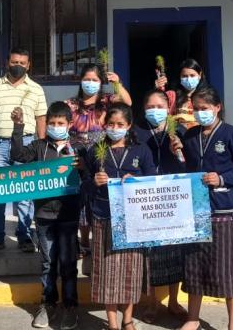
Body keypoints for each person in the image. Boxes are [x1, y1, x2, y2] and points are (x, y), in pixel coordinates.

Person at [171, 87, 233, 330]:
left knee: (227, 269)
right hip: (195, 210)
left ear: (217, 107)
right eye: (196, 109)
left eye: (204, 109)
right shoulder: (190, 135)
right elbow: (185, 169)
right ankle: (193, 318)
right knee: (194, 266)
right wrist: (175, 152)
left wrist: (222, 179)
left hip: (223, 211)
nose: (200, 113)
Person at [11, 102, 86, 330]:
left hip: (69, 215)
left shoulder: (78, 148)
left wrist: (83, 166)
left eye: (60, 123)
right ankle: (48, 304)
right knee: (47, 263)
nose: (55, 127)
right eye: (51, 123)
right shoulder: (38, 147)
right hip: (44, 216)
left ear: (69, 124)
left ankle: (70, 306)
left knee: (68, 263)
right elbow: (18, 155)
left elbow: (90, 172)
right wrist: (18, 128)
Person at [82, 103, 155, 330]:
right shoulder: (95, 150)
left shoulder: (141, 150)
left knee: (130, 272)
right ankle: (112, 321)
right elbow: (84, 185)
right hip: (103, 217)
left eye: (120, 124)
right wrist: (94, 182)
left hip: (133, 220)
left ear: (129, 125)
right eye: (111, 124)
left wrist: (137, 179)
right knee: (106, 272)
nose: (115, 128)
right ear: (105, 126)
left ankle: (128, 319)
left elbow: (153, 180)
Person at [0, 47, 48, 254]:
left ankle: (24, 236)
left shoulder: (36, 89)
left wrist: (42, 147)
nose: (18, 66)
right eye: (15, 62)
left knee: (24, 192)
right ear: (7, 62)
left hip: (27, 143)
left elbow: (41, 118)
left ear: (29, 65)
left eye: (22, 63)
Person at [65, 63, 130, 258]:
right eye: (87, 79)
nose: (90, 83)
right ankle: (83, 241)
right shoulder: (71, 104)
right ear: (80, 81)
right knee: (80, 199)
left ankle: (96, 239)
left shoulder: (106, 102)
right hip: (75, 158)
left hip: (99, 155)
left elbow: (127, 103)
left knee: (96, 196)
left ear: (101, 82)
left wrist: (117, 83)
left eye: (94, 80)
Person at [134, 89, 187, 321]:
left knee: (175, 251)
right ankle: (152, 302)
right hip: (147, 201)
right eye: (150, 107)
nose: (155, 111)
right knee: (150, 252)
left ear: (169, 109)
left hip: (174, 199)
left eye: (159, 106)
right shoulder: (137, 134)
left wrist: (179, 153)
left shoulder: (181, 132)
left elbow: (190, 166)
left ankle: (174, 301)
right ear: (144, 110)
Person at [154, 58, 206, 130]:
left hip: (198, 138)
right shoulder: (172, 96)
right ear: (180, 77)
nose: (188, 79)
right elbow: (157, 111)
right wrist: (157, 90)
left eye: (192, 75)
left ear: (200, 75)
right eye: (184, 76)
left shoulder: (206, 97)